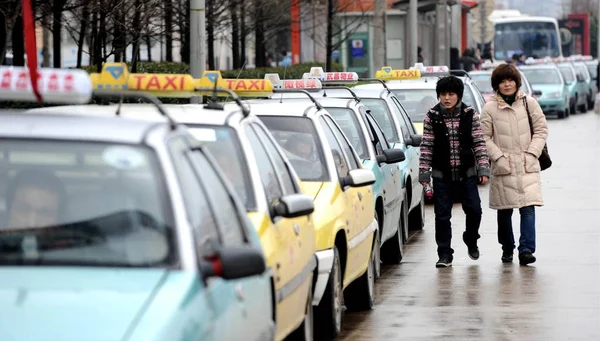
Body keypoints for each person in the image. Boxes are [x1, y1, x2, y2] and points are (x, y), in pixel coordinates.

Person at [419, 76, 491, 268]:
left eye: (451, 94)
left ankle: (471, 238)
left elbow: (479, 143)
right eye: (443, 94)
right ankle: (444, 254)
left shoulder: (470, 114)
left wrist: (483, 168)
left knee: (475, 210)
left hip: (467, 174)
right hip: (442, 176)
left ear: (458, 95)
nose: (447, 98)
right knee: (442, 216)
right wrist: (424, 174)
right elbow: (426, 146)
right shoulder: (431, 116)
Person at [480, 63, 548, 266]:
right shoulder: (489, 108)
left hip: (527, 163)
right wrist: (499, 158)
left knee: (528, 209)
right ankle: (507, 248)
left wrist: (531, 153)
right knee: (505, 210)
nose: (507, 84)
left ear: (517, 82)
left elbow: (541, 130)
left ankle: (526, 250)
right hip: (503, 165)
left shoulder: (529, 103)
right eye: (502, 81)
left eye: (510, 80)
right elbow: (484, 137)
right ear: (496, 85)